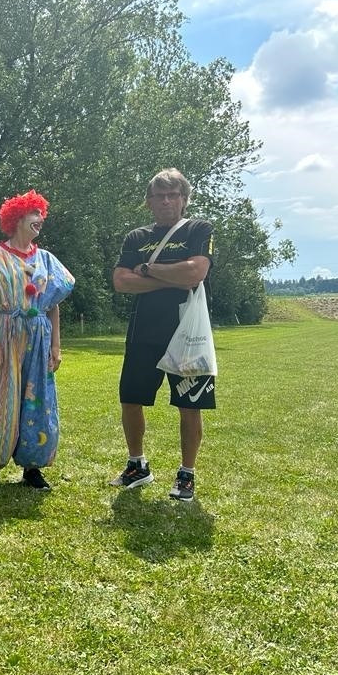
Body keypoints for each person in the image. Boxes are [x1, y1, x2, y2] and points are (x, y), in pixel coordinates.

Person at [110, 168, 215, 501]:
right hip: (143, 330)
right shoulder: (136, 238)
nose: (166, 201)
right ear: (149, 201)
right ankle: (137, 465)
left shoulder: (199, 229)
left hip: (188, 331)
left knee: (189, 403)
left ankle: (187, 474)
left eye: (173, 195)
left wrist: (147, 270)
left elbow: (195, 272)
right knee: (131, 399)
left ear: (183, 199)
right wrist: (172, 277)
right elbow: (121, 282)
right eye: (159, 196)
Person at [0, 190, 75, 492]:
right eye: (34, 214)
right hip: (5, 334)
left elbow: (52, 306)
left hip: (39, 338)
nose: (40, 219)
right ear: (17, 218)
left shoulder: (46, 261)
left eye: (41, 214)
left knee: (37, 398)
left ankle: (32, 467)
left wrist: (56, 346)